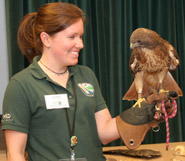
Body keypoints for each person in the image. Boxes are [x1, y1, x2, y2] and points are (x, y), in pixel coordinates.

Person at [1, 2, 175, 161]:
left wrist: (142, 114)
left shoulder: (86, 75)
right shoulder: (21, 85)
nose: (80, 44)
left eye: (81, 36)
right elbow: (15, 153)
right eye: (72, 37)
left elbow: (104, 132)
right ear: (46, 39)